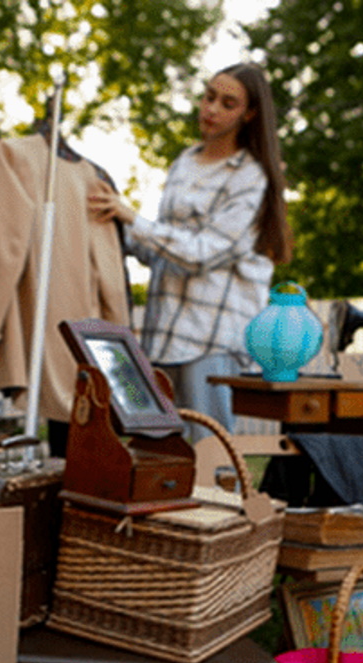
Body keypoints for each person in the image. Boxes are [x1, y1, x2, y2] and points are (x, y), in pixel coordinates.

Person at [90, 62, 293, 436]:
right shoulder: (184, 162)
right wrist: (113, 225)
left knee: (209, 452)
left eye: (227, 103)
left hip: (210, 339)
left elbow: (202, 254)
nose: (212, 108)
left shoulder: (251, 177)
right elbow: (162, 250)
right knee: (156, 450)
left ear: (249, 115)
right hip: (162, 333)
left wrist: (133, 219)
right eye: (209, 96)